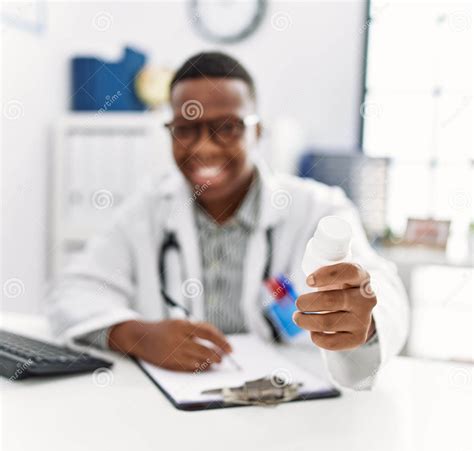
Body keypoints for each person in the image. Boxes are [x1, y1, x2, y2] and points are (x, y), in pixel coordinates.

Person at [46, 52, 409, 390]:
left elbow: (381, 287)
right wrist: (138, 335)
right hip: (174, 411)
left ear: (257, 132)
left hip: (289, 409)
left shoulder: (317, 208)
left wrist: (366, 320)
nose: (204, 147)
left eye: (228, 127)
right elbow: (73, 291)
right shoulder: (147, 209)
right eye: (186, 129)